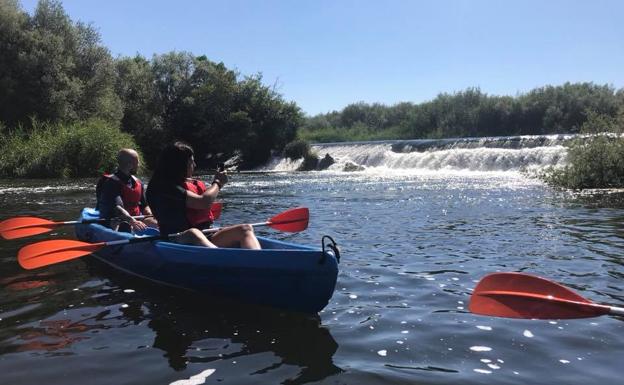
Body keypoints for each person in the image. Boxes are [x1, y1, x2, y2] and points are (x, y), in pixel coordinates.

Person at [146, 142, 261, 249]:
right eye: (191, 162)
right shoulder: (162, 187)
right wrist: (218, 183)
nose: (194, 165)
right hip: (175, 240)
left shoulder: (185, 182)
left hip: (205, 235)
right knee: (193, 233)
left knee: (245, 229)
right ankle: (225, 261)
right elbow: (203, 202)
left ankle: (257, 262)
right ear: (179, 164)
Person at [96, 148, 158, 232]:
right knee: (125, 227)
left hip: (134, 218)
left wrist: (149, 213)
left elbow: (144, 204)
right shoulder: (110, 183)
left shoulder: (137, 182)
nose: (139, 165)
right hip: (115, 219)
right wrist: (131, 221)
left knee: (157, 224)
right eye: (137, 162)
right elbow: (117, 208)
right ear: (129, 165)